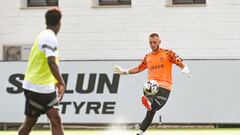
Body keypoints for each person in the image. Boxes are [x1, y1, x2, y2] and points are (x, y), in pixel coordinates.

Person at [113, 33, 191, 135]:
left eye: (154, 42)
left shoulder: (167, 53)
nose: (152, 44)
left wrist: (183, 67)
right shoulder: (148, 57)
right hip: (151, 85)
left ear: (159, 42)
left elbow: (178, 60)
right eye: (150, 43)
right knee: (150, 103)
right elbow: (139, 68)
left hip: (165, 86)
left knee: (152, 110)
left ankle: (149, 102)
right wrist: (125, 72)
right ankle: (141, 127)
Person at [18, 8, 65, 135]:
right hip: (35, 88)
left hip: (47, 88)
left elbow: (49, 63)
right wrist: (61, 82)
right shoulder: (49, 37)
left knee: (56, 119)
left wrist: (54, 81)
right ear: (59, 23)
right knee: (29, 123)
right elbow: (51, 62)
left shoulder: (44, 35)